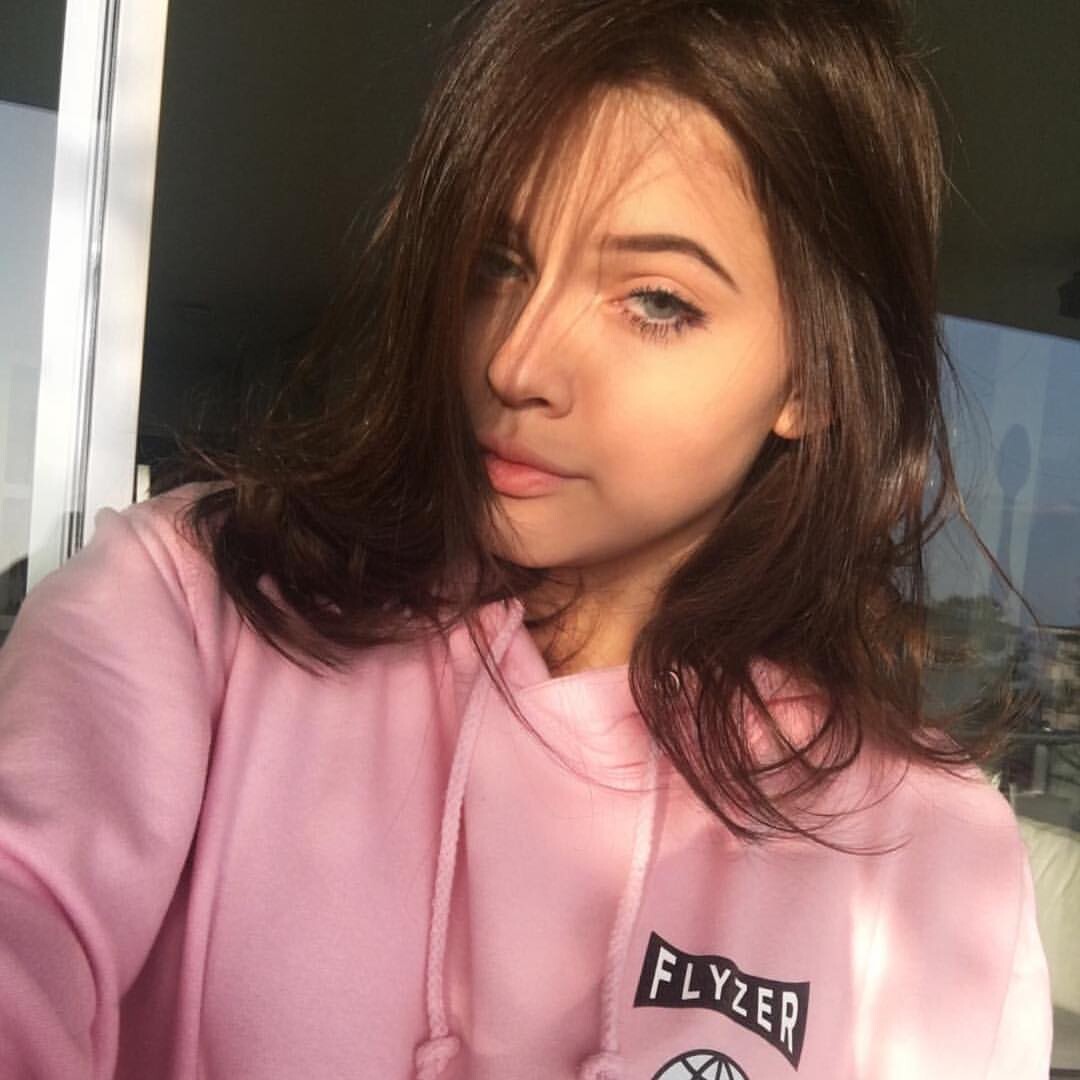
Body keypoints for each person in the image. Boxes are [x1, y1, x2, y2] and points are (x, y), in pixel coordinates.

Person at [0, 0, 1053, 1077]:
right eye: (499, 264)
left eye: (655, 300)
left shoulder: (925, 855)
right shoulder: (194, 614)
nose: (516, 363)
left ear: (817, 379)